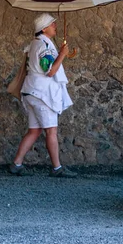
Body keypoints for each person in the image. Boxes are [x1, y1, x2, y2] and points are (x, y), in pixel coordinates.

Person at [9, 13, 76, 178]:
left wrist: (61, 54)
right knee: (51, 130)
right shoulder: (43, 47)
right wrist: (62, 54)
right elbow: (50, 71)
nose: (55, 26)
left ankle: (17, 163)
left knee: (35, 130)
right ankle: (57, 168)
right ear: (44, 28)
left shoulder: (36, 44)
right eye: (52, 24)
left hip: (32, 92)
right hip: (41, 94)